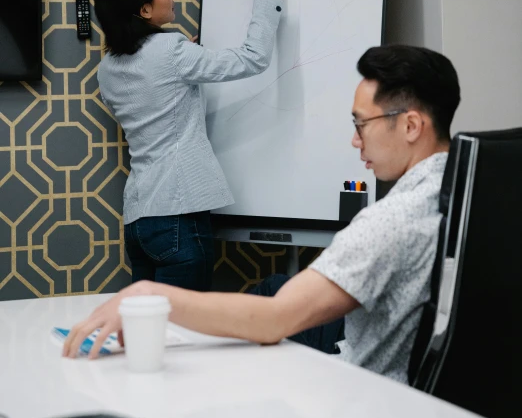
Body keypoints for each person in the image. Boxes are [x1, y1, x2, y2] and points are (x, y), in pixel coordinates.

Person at [63, 44, 461, 385]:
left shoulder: (389, 222)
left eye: (362, 124)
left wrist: (149, 294)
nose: (355, 140)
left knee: (251, 323)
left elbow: (273, 320)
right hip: (383, 341)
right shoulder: (461, 188)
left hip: (362, 387)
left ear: (411, 125)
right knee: (273, 283)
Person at [92, 0, 282, 292]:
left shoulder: (106, 69)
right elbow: (253, 57)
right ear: (146, 10)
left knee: (149, 331)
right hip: (178, 215)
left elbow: (147, 98)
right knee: (186, 336)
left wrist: (180, 64)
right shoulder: (170, 50)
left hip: (139, 220)